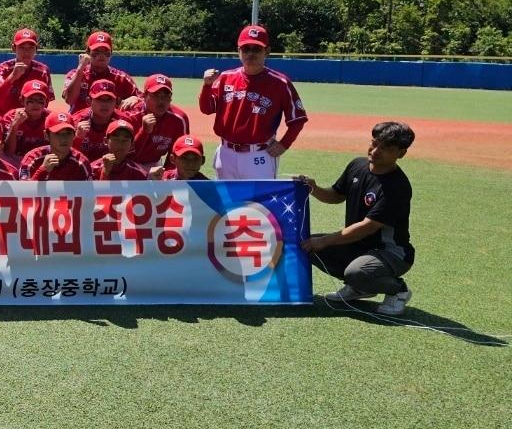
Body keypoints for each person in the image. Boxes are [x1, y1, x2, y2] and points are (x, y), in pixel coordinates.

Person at [298, 121, 417, 316]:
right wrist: (314, 188)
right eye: (374, 143)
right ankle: (360, 288)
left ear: (401, 153)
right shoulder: (357, 165)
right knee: (307, 247)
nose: (376, 150)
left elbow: (367, 227)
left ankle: (398, 290)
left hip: (391, 253)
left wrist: (324, 240)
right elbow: (336, 195)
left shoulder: (397, 187)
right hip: (359, 246)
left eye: (386, 148)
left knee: (356, 271)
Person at [199, 24, 307, 180]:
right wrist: (207, 87)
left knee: (257, 203)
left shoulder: (280, 83)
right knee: (226, 203)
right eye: (246, 49)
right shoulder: (225, 78)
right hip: (226, 153)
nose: (250, 53)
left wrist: (284, 144)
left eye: (256, 49)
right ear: (239, 51)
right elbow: (207, 108)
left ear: (267, 51)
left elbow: (298, 119)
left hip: (259, 155)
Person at [60, 31, 140, 113]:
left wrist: (136, 98)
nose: (101, 56)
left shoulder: (122, 78)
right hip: (80, 123)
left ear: (111, 53)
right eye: (96, 52)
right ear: (88, 52)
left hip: (111, 123)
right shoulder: (75, 74)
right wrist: (80, 69)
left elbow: (143, 99)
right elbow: (69, 99)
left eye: (106, 52)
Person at [130, 74, 190, 172]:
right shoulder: (131, 115)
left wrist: (167, 176)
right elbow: (125, 154)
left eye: (166, 95)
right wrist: (144, 132)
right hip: (129, 164)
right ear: (144, 95)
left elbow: (177, 156)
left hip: (155, 165)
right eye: (156, 95)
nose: (161, 100)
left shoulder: (179, 119)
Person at [0, 28, 54, 112]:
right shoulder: (2, 69)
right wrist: (12, 77)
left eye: (31, 47)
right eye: (22, 47)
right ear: (13, 48)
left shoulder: (43, 71)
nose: (27, 52)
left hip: (30, 120)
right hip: (3, 118)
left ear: (36, 48)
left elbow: (46, 101)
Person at [71, 79, 129, 164]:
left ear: (116, 102)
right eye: (99, 99)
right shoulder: (76, 121)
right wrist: (77, 138)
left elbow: (131, 154)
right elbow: (65, 154)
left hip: (113, 167)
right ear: (89, 101)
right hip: (81, 168)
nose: (105, 104)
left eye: (109, 100)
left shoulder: (124, 121)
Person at [22, 112, 93, 181]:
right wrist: (42, 170)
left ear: (74, 135)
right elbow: (23, 192)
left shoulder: (81, 163)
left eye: (68, 133)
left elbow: (90, 192)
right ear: (46, 135)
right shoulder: (32, 159)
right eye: (57, 134)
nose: (64, 139)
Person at [4, 79, 52, 160]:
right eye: (31, 100)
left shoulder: (51, 118)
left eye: (40, 100)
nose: (35, 104)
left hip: (43, 160)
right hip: (15, 160)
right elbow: (8, 152)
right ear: (21, 100)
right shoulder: (11, 117)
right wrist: (14, 125)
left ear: (46, 102)